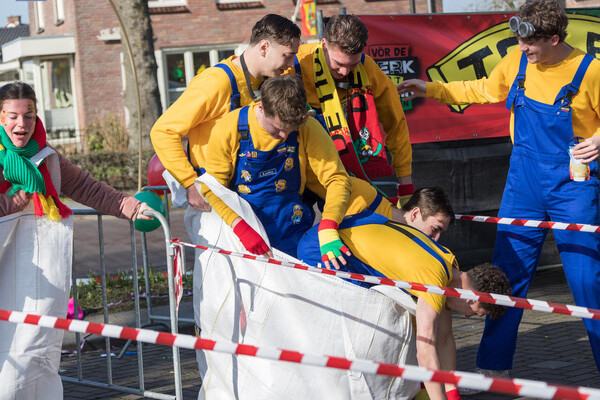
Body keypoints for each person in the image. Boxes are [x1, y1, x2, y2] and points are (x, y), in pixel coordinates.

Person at [398, 0, 600, 377]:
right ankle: (493, 369)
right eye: (520, 42)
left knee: (588, 280)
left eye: (531, 44)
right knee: (507, 276)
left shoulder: (591, 71)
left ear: (554, 38)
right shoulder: (517, 61)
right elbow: (483, 89)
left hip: (572, 187)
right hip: (523, 181)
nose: (522, 49)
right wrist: (432, 88)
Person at [0, 81, 153, 399]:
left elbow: (88, 188)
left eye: (29, 115)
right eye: (12, 116)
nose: (22, 124)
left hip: (34, 281)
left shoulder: (46, 158)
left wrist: (132, 207)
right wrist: (9, 204)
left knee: (34, 350)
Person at [296, 209, 511, 400]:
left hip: (347, 240)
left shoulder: (450, 263)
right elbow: (425, 349)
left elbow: (444, 338)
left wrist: (452, 393)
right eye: (476, 313)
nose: (467, 317)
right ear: (470, 298)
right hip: (322, 247)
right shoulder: (434, 279)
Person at [151, 14, 301, 212]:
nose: (291, 64)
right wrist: (190, 183)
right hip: (215, 198)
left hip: (257, 193)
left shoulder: (272, 80)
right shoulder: (216, 83)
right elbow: (163, 131)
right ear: (264, 47)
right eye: (287, 55)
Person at [199, 74, 351, 267]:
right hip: (244, 229)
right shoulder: (230, 128)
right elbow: (212, 188)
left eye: (290, 130)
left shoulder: (307, 127)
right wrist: (239, 226)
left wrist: (329, 224)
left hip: (292, 225)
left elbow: (337, 179)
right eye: (278, 128)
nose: (284, 135)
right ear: (261, 106)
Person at [290, 14, 414, 206]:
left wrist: (405, 184)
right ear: (324, 44)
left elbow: (396, 122)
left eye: (352, 65)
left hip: (348, 169)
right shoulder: (294, 63)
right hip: (300, 169)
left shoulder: (367, 67)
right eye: (338, 64)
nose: (345, 73)